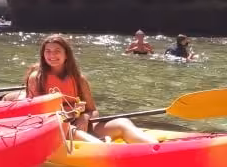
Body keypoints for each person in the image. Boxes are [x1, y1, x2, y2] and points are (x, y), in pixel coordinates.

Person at [26, 34, 157, 144]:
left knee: (122, 123)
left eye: (57, 51)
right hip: (54, 128)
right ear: (43, 54)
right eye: (47, 51)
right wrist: (66, 116)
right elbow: (33, 114)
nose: (52, 55)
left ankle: (156, 149)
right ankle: (107, 151)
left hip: (80, 125)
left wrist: (84, 117)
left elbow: (93, 110)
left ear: (66, 55)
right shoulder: (36, 78)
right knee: (67, 128)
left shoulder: (79, 79)